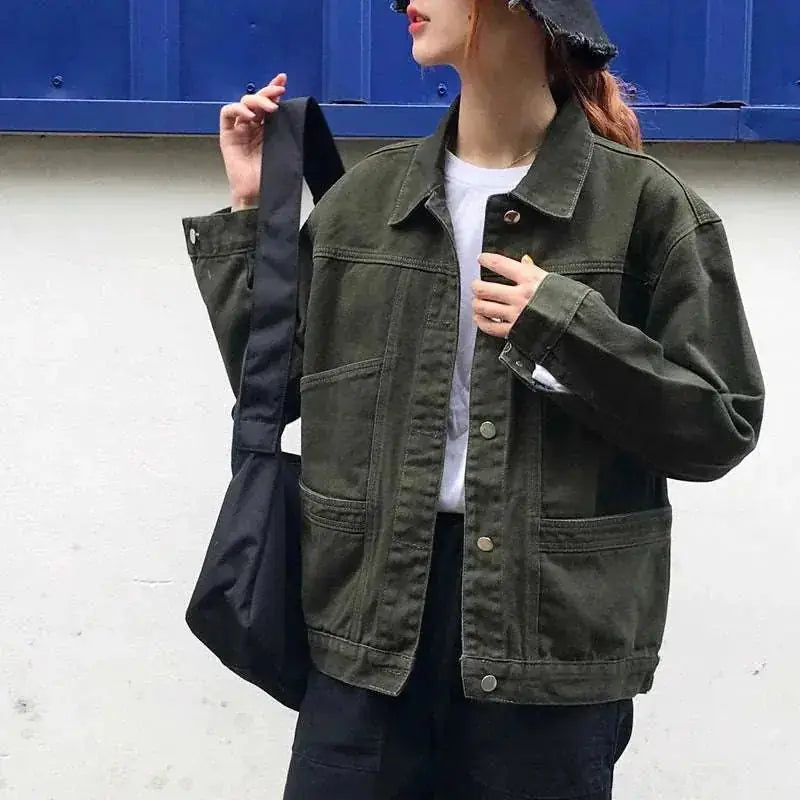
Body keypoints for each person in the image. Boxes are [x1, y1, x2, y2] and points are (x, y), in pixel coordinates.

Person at [182, 1, 765, 797]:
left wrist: (567, 328)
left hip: (546, 639)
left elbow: (721, 423)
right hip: (370, 624)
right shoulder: (366, 202)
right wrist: (253, 209)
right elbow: (274, 389)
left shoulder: (645, 209)